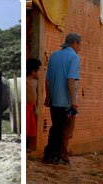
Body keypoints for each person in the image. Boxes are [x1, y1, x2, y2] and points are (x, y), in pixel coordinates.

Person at [43, 32, 81, 165]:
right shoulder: (74, 57)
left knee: (56, 127)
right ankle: (58, 155)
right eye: (79, 44)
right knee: (64, 128)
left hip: (54, 99)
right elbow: (71, 79)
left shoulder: (54, 56)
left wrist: (48, 96)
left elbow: (47, 80)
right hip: (65, 100)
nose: (80, 47)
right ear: (74, 43)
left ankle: (50, 155)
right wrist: (74, 101)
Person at [26, 58, 42, 152]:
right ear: (33, 71)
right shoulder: (26, 81)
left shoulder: (34, 81)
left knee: (30, 128)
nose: (40, 72)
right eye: (38, 70)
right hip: (26, 107)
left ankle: (27, 146)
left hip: (31, 107)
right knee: (26, 127)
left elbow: (34, 95)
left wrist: (35, 107)